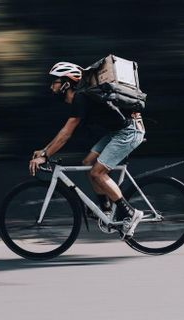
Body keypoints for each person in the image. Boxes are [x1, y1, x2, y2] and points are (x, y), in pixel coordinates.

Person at [29, 61, 146, 239]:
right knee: (88, 163)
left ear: (67, 83)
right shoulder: (82, 98)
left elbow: (66, 133)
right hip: (118, 132)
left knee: (98, 173)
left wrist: (45, 155)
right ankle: (106, 210)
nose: (51, 85)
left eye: (55, 81)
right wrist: (45, 150)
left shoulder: (80, 98)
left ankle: (131, 213)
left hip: (128, 132)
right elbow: (64, 132)